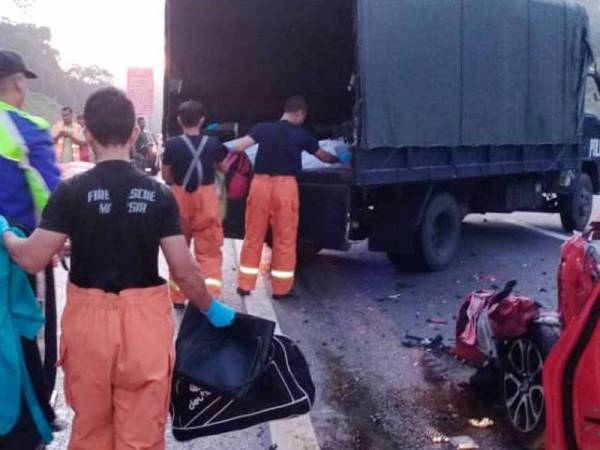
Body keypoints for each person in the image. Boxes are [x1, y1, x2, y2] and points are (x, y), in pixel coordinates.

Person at [0, 87, 236, 450]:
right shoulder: (158, 195)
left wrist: (6, 235)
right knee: (141, 432)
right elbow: (184, 270)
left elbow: (32, 258)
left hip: (88, 326)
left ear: (88, 134)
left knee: (92, 428)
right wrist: (210, 307)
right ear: (134, 134)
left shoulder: (71, 192)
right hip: (144, 327)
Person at [0, 49, 61, 450]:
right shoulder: (28, 127)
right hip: (15, 252)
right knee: (23, 336)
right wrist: (56, 239)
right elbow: (54, 193)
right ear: (18, 80)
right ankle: (29, 421)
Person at [233, 96, 351, 299]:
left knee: (253, 235)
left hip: (260, 185)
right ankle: (281, 289)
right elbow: (322, 156)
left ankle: (245, 285)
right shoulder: (302, 135)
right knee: (284, 238)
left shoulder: (263, 128)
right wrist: (340, 160)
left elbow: (239, 147)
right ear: (300, 113)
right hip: (285, 187)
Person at [162, 100, 229, 304]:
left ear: (179, 120)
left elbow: (166, 174)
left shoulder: (172, 144)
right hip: (206, 199)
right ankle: (209, 298)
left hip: (179, 199)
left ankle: (178, 297)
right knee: (209, 251)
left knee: (179, 249)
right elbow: (224, 169)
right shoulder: (213, 144)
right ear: (202, 121)